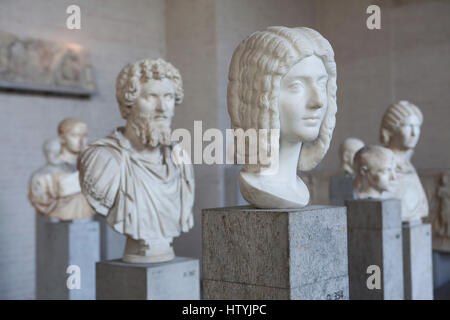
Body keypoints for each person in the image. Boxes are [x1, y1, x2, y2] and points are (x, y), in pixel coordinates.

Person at [78, 58, 194, 263]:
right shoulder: (104, 159)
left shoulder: (180, 160)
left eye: (168, 97)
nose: (163, 108)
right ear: (128, 104)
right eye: (151, 97)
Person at [380, 100, 428, 221]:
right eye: (407, 126)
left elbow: (422, 207)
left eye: (417, 126)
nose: (414, 133)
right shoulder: (383, 167)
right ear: (391, 130)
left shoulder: (408, 166)